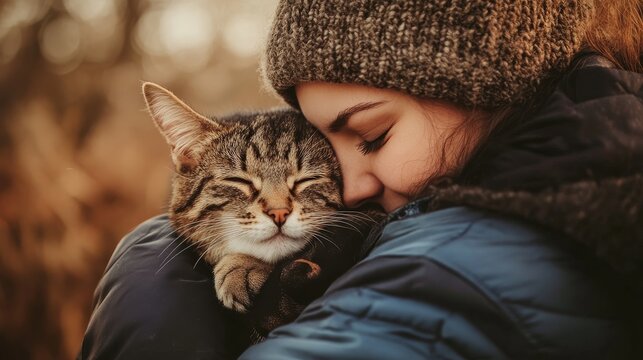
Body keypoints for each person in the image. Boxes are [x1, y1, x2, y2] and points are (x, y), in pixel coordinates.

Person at [79, 0, 643, 359]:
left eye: (372, 137)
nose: (346, 190)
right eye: (330, 148)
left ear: (485, 90)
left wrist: (143, 301)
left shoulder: (482, 257)